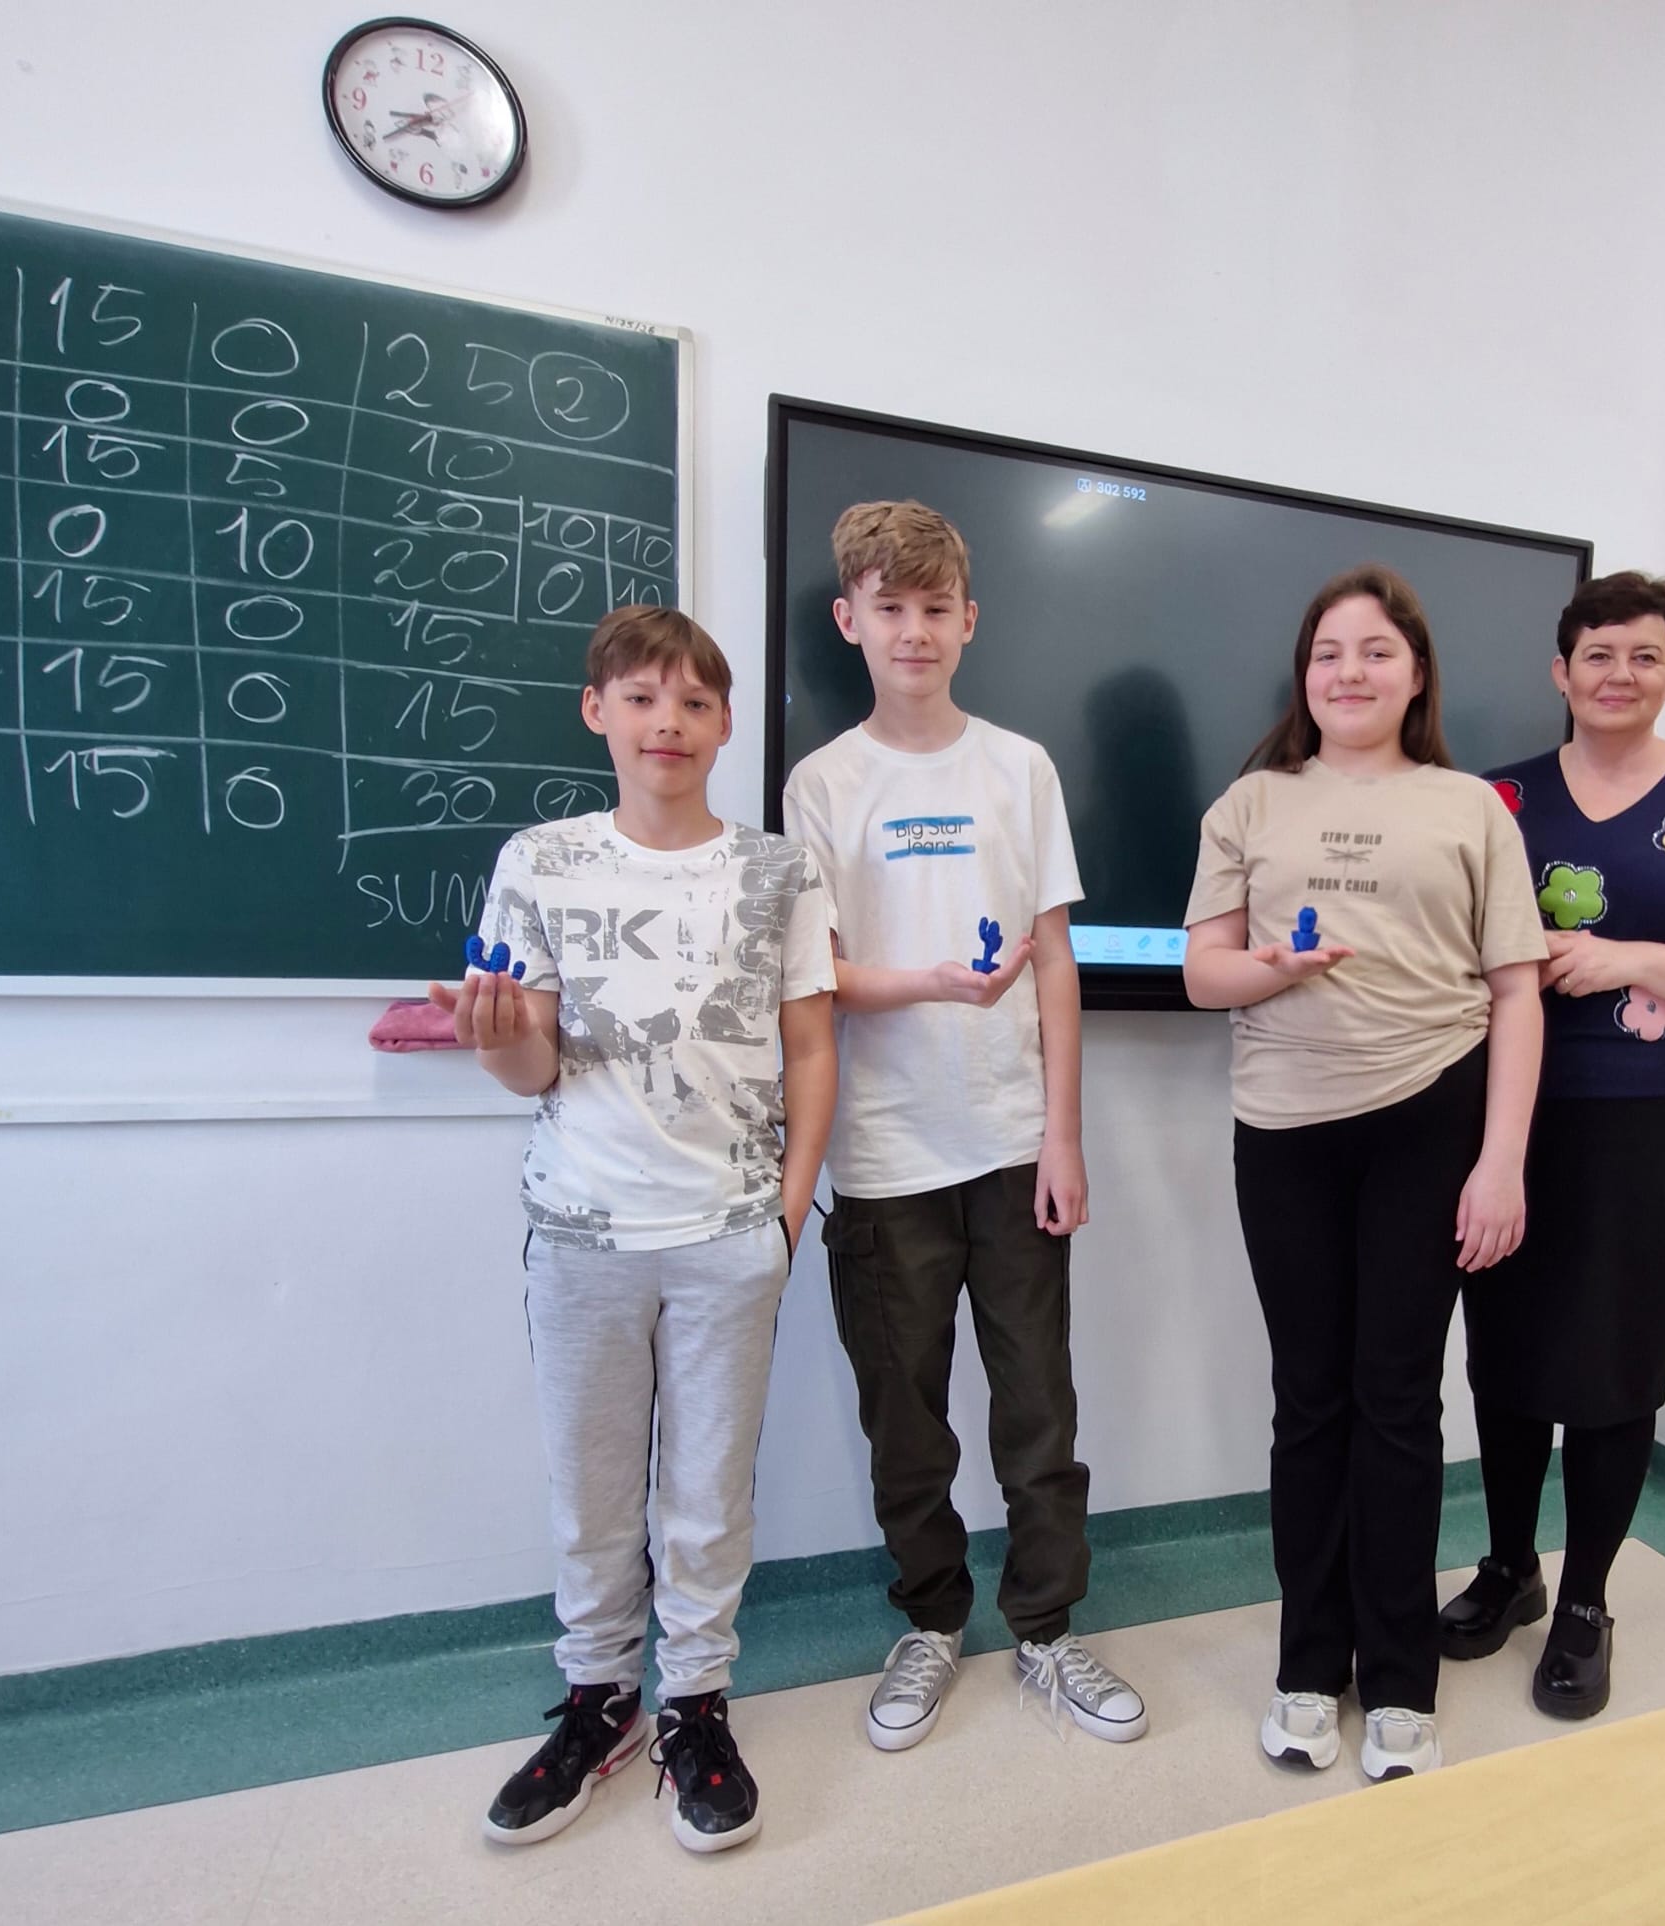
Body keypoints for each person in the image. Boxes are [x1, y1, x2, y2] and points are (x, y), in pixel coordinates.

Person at [431, 606, 837, 1852]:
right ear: (596, 710)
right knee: (592, 1491)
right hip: (581, 1234)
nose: (669, 722)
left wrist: (784, 1219)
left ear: (724, 724)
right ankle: (598, 1700)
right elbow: (532, 1067)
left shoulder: (777, 872)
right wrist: (499, 1042)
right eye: (644, 698)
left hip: (728, 1235)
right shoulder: (541, 861)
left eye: (695, 702)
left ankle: (695, 1703)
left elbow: (812, 1046)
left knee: (706, 1494)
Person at [781, 500, 1147, 1753]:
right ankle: (931, 1621)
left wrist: (1063, 1136)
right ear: (850, 621)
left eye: (934, 608)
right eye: (889, 608)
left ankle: (1045, 1628)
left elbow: (1054, 960)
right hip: (883, 1152)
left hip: (1009, 1143)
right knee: (905, 1417)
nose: (913, 631)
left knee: (1037, 1407)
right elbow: (818, 974)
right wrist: (931, 983)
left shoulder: (1017, 767)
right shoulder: (821, 783)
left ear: (969, 621)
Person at [1182, 563, 1545, 1781]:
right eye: (1328, 651)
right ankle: (1306, 1666)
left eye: (1375, 650)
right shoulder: (1249, 804)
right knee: (1308, 1401)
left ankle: (1397, 1679)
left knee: (1396, 1400)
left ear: (1415, 672)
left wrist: (1500, 1163)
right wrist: (1278, 968)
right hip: (1282, 1127)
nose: (1349, 671)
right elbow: (1202, 974)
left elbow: (1515, 995)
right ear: (1303, 674)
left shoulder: (1469, 808)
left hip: (1429, 1119)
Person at [1446, 571, 1665, 1718]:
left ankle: (1585, 1603)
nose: (1617, 675)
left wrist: (1626, 960)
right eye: (1595, 655)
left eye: (1643, 656)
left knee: (1614, 1368)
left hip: (1644, 1125)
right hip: (1501, 1120)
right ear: (1560, 672)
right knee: (1502, 1358)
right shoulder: (1494, 797)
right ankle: (1509, 1569)